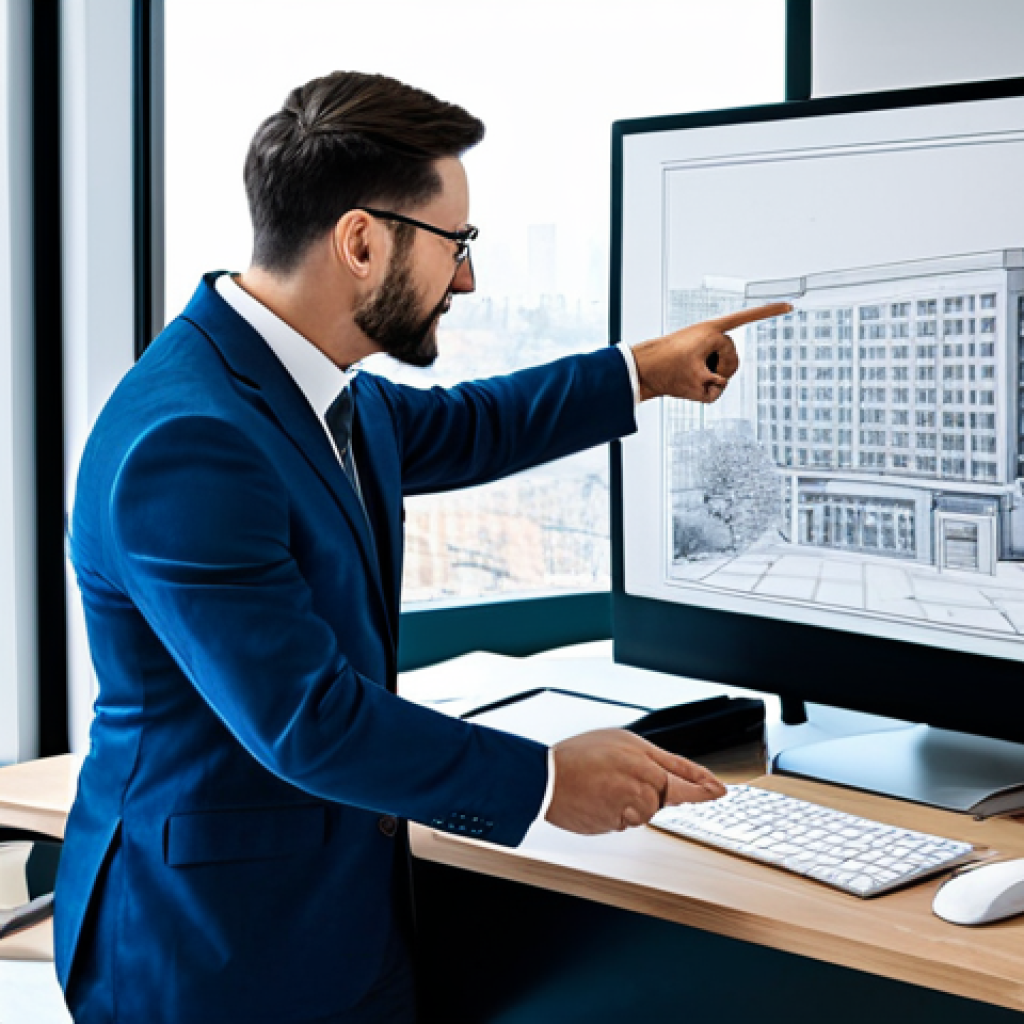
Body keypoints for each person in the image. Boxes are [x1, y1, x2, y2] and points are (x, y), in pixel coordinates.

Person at [54, 70, 789, 1023]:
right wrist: (549, 780)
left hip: (329, 920)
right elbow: (307, 721)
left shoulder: (306, 388)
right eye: (456, 244)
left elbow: (470, 426)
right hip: (214, 952)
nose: (469, 278)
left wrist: (644, 372)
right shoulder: (191, 440)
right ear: (362, 242)